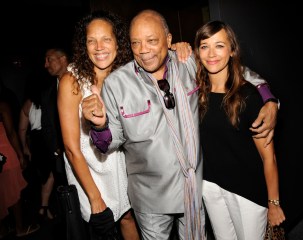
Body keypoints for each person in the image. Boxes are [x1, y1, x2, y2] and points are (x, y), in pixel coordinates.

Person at [82, 9, 279, 240]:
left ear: (168, 40)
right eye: (136, 43)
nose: (143, 50)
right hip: (151, 198)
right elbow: (108, 143)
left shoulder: (188, 62)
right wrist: (98, 125)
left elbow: (232, 69)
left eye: (152, 41)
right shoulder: (116, 84)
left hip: (195, 189)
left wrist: (268, 98)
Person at [194, 20, 285, 240]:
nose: (211, 53)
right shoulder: (197, 93)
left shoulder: (249, 97)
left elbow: (269, 157)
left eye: (220, 45)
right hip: (210, 186)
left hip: (246, 193)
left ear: (232, 50)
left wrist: (274, 204)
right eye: (205, 46)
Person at [57, 10, 140, 240]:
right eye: (91, 40)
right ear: (84, 45)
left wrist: (178, 48)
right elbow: (72, 148)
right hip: (87, 169)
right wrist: (95, 197)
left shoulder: (125, 75)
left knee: (126, 217)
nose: (99, 47)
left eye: (106, 39)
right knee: (100, 229)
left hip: (118, 162)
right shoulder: (71, 81)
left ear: (117, 42)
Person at [0, 100, 40, 238]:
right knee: (14, 191)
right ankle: (19, 228)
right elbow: (11, 132)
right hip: (5, 152)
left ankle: (3, 229)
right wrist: (20, 155)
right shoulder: (2, 104)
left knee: (3, 193)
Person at [19, 81, 55, 221]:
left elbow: (22, 129)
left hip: (36, 141)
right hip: (48, 138)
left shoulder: (28, 103)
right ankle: (44, 207)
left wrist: (25, 148)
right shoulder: (50, 97)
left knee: (45, 175)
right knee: (50, 175)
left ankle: (44, 208)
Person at [43, 47, 69, 188]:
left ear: (62, 59)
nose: (46, 65)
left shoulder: (84, 82)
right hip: (61, 160)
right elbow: (47, 125)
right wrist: (56, 149)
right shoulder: (48, 94)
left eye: (49, 59)